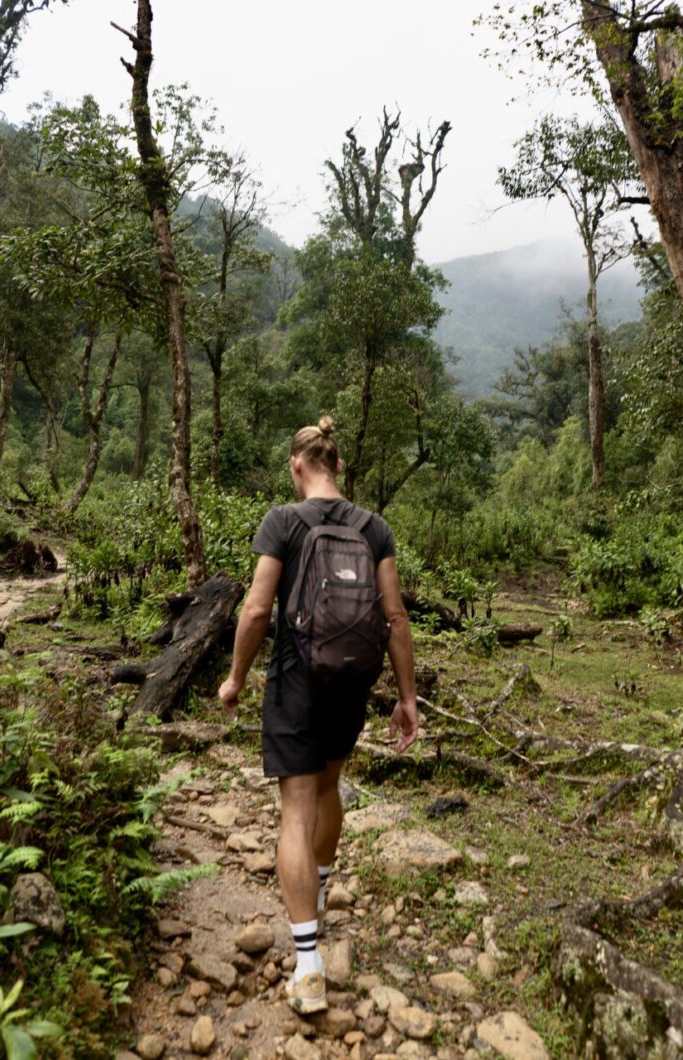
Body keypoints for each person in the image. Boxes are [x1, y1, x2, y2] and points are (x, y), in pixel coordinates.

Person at [218, 416, 418, 1014]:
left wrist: (235, 678)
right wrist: (406, 698)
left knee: (296, 808)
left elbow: (257, 610)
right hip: (351, 680)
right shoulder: (374, 527)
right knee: (329, 786)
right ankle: (321, 892)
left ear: (297, 466)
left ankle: (308, 967)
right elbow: (395, 617)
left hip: (296, 679)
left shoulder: (282, 521)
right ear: (338, 466)